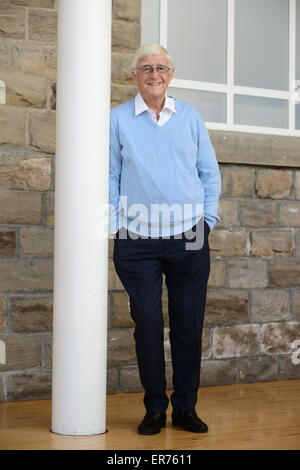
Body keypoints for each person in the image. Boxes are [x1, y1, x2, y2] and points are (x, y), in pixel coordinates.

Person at [109, 43, 221, 435]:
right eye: (145, 68)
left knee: (188, 323)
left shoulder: (189, 117)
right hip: (136, 235)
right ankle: (155, 407)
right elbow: (108, 174)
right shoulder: (117, 119)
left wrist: (206, 220)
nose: (153, 74)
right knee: (148, 323)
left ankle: (186, 408)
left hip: (189, 233)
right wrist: (112, 225)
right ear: (134, 75)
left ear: (170, 74)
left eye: (161, 67)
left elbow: (209, 171)